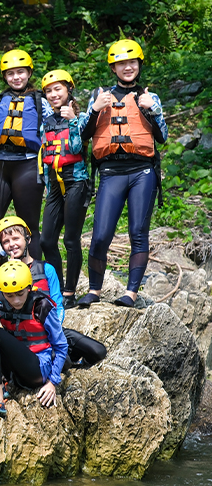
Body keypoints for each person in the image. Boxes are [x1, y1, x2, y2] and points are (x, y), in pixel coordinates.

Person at [78, 39, 167, 308]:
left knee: (138, 232)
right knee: (101, 234)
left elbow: (161, 136)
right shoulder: (99, 96)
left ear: (139, 65)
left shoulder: (149, 97)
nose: (127, 67)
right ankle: (94, 289)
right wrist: (94, 110)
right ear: (113, 68)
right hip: (111, 172)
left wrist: (151, 108)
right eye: (121, 64)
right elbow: (83, 135)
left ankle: (131, 293)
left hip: (142, 171)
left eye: (132, 62)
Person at [0, 49, 54, 259]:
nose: (16, 77)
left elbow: (52, 138)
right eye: (10, 74)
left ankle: (35, 277)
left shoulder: (41, 102)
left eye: (20, 72)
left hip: (27, 167)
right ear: (5, 77)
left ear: (29, 73)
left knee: (29, 226)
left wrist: (52, 177)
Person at [0, 217, 106, 368]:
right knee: (63, 362)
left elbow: (57, 303)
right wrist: (8, 268)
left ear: (27, 239)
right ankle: (62, 361)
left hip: (50, 330)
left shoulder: (46, 269)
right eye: (6, 241)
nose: (11, 244)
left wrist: (55, 331)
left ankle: (74, 362)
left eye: (16, 238)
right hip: (25, 336)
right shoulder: (4, 273)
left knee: (98, 351)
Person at [0, 261, 68, 417]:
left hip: (36, 368)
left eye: (20, 294)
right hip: (15, 365)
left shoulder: (42, 306)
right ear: (3, 293)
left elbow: (61, 346)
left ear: (29, 288)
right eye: (9, 295)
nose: (16, 300)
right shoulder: (3, 303)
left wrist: (52, 383)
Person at [38, 70, 90, 310]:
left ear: (69, 89)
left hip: (76, 182)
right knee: (47, 240)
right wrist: (48, 187)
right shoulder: (47, 122)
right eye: (49, 91)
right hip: (55, 186)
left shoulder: (80, 118)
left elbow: (78, 147)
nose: (53, 94)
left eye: (57, 89)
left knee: (70, 239)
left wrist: (72, 120)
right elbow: (44, 155)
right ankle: (57, 288)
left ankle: (69, 292)